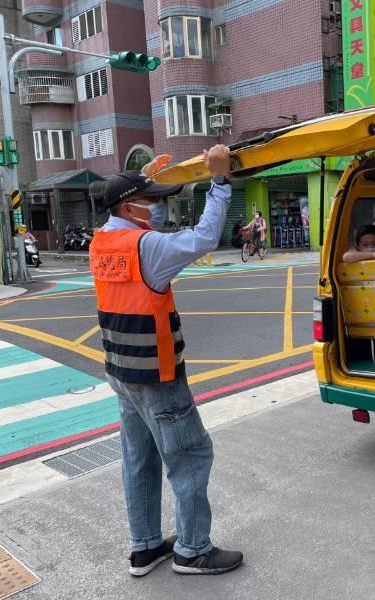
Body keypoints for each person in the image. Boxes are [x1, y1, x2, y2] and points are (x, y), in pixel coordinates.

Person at [89, 145, 243, 578]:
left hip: (122, 374)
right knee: (191, 455)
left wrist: (141, 173)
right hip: (157, 376)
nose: (159, 207)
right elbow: (205, 238)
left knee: (139, 458)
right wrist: (219, 181)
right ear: (131, 207)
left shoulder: (104, 241)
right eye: (154, 199)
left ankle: (145, 547)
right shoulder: (147, 245)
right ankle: (193, 551)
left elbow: (122, 199)